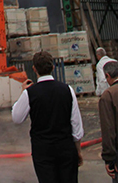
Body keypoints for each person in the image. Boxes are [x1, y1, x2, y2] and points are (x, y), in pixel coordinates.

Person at [12, 49, 84, 183]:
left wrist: (23, 93)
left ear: (34, 69)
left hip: (42, 149)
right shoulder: (67, 90)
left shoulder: (30, 93)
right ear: (53, 67)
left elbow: (17, 118)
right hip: (65, 147)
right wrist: (78, 150)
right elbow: (76, 124)